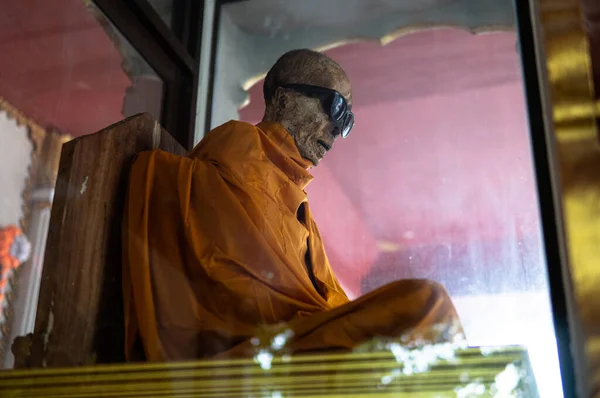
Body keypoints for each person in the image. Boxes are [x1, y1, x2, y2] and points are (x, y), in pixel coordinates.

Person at [123, 49, 463, 362]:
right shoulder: (241, 145)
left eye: (346, 122)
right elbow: (233, 277)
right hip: (263, 344)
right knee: (426, 302)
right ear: (284, 100)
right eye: (335, 109)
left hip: (299, 333)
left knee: (428, 314)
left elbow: (319, 296)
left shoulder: (299, 202)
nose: (335, 130)